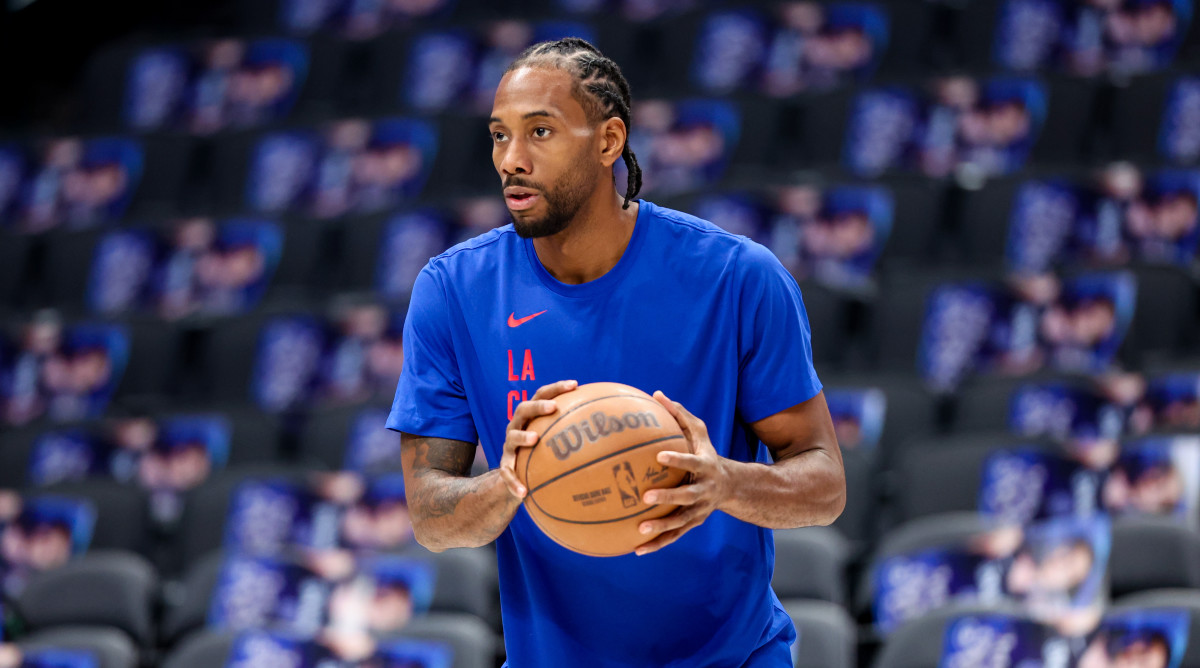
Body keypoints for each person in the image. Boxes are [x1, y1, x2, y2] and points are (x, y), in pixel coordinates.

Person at [387, 37, 845, 666]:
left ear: (608, 141)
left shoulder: (736, 277)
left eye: (540, 131)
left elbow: (825, 484)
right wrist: (510, 484)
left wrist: (723, 484)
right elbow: (430, 517)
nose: (511, 160)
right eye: (499, 135)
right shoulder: (452, 291)